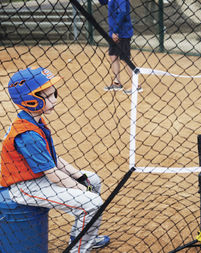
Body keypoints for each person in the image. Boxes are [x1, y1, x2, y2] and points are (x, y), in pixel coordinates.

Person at [0, 67, 110, 252]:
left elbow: (53, 159)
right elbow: (52, 174)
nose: (54, 100)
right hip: (23, 187)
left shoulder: (34, 120)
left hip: (39, 178)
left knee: (93, 180)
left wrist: (81, 178)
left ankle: (86, 237)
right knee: (92, 203)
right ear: (30, 99)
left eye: (54, 94)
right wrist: (82, 189)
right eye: (48, 97)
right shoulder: (27, 134)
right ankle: (78, 248)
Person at [101, 0, 142, 93]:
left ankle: (136, 85)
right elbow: (103, 2)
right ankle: (117, 83)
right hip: (114, 33)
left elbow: (123, 12)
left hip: (122, 33)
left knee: (125, 58)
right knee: (113, 56)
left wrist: (115, 30)